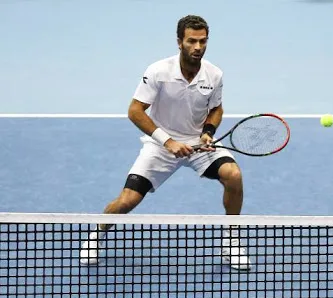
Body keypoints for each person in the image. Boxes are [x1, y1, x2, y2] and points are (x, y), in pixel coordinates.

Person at [80, 14, 249, 270]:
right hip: (160, 145)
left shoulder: (214, 74)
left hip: (198, 145)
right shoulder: (158, 71)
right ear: (179, 42)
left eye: (203, 42)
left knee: (233, 175)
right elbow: (135, 111)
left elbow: (216, 109)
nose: (198, 47)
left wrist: (208, 132)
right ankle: (96, 235)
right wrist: (167, 141)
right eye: (192, 41)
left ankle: (232, 239)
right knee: (127, 201)